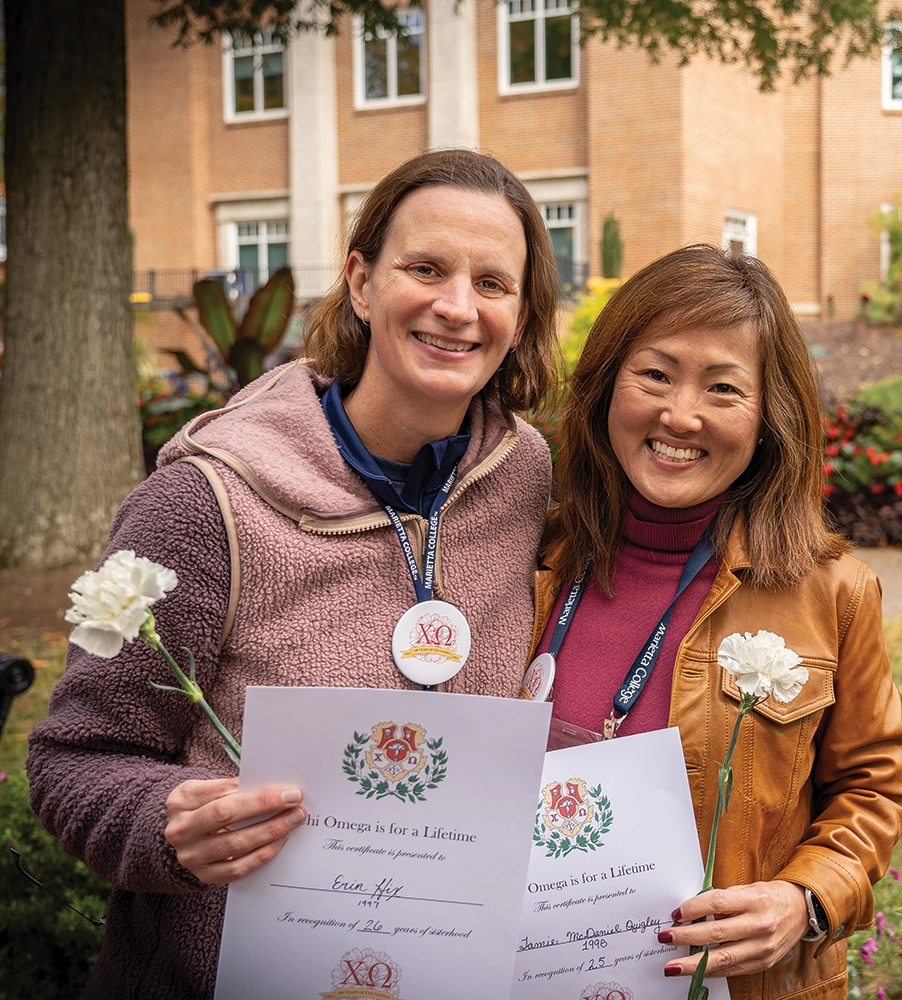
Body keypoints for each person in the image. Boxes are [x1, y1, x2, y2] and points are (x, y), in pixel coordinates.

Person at [27, 149, 557, 998]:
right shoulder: (206, 504)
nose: (458, 308)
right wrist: (171, 828)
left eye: (493, 283)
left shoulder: (525, 477)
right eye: (425, 268)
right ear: (360, 281)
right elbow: (72, 762)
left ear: (522, 313)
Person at [533, 244, 902, 999]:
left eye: (723, 388)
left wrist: (806, 899)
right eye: (655, 374)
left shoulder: (833, 594)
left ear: (769, 417)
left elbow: (875, 787)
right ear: (607, 381)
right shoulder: (532, 556)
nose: (681, 414)